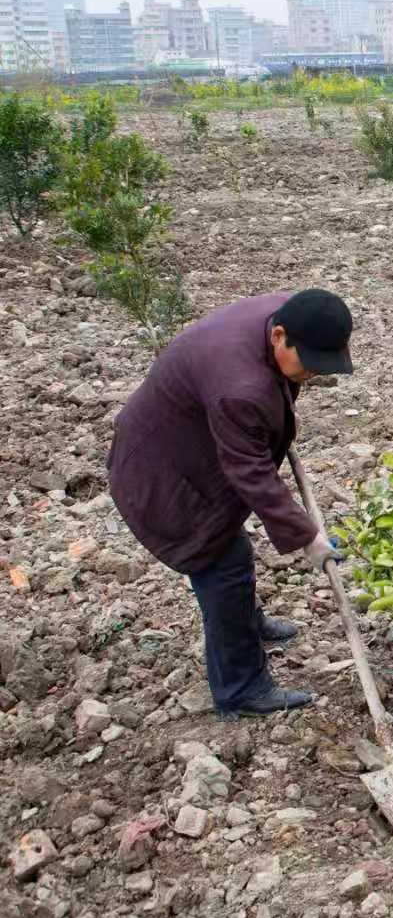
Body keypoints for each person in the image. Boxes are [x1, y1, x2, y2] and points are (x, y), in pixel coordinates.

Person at [107, 290, 354, 718]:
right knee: (223, 566)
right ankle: (240, 688)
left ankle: (247, 623)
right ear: (279, 336)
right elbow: (251, 472)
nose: (313, 374)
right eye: (309, 364)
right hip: (162, 475)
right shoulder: (240, 388)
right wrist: (307, 536)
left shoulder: (289, 312)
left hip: (190, 446)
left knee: (232, 552)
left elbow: (257, 431)